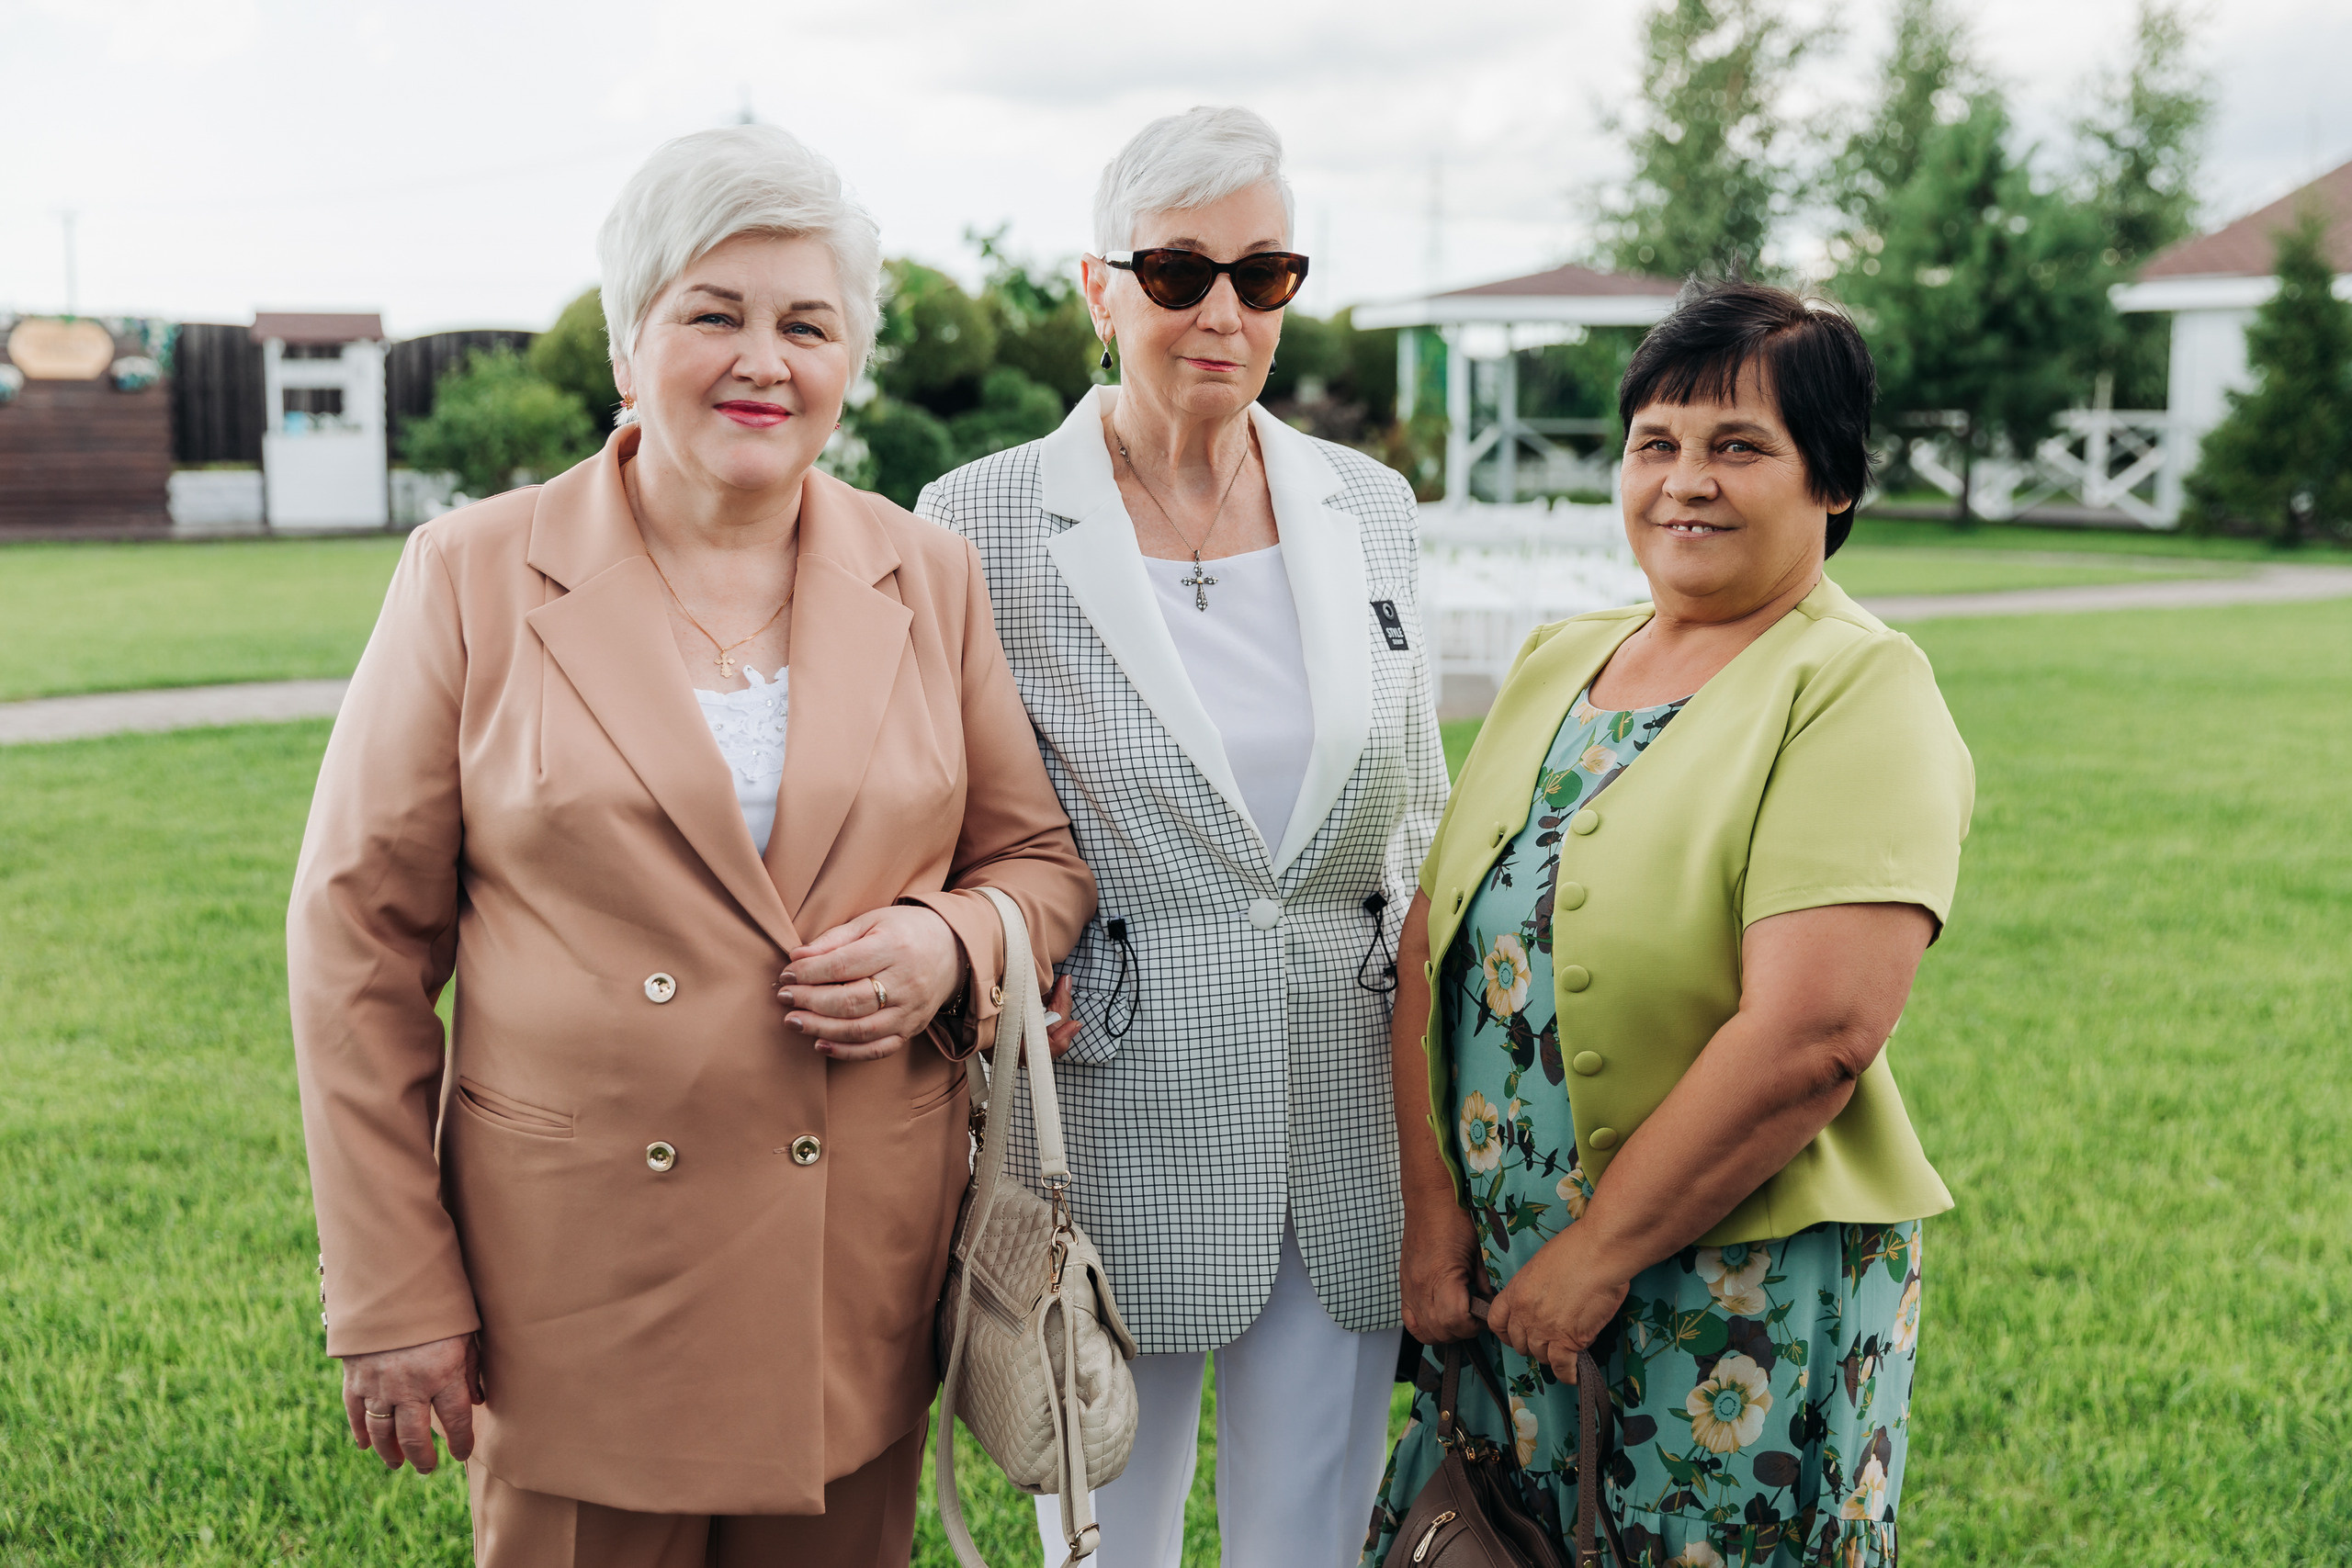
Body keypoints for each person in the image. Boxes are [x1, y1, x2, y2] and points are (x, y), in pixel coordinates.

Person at [288, 124, 1094, 1568]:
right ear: (626, 346)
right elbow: (356, 950)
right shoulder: (473, 572)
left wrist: (947, 944)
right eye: (711, 314)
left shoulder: (929, 574)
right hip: (576, 1294)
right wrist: (393, 1292)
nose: (762, 361)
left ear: (851, 362)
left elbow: (1037, 865)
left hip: (854, 1276)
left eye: (807, 324)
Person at [1365, 280, 1973, 1567]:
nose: (1685, 481)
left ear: (1835, 483)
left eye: (1739, 447)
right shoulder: (1559, 661)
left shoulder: (1858, 685)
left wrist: (1597, 1256)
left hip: (1719, 1299)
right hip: (1502, 1284)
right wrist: (1434, 1221)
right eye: (1658, 444)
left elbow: (1816, 1031)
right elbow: (1432, 940)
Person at [917, 106, 1449, 1567]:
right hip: (1103, 1113)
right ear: (1100, 290)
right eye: (1177, 273)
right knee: (1099, 1546)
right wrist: (994, 948)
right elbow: (937, 803)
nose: (1222, 311)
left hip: (1344, 1117)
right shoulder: (982, 521)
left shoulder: (1371, 508)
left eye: (1264, 274)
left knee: (1311, 1542)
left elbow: (1421, 809)